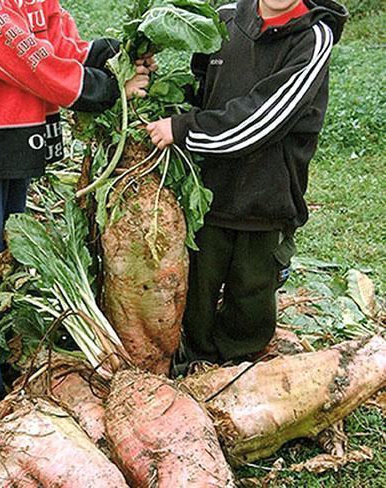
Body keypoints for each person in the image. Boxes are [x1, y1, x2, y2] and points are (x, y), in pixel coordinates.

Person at [0, 0, 153, 425]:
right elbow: (25, 58)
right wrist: (101, 89)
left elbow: (55, 41)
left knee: (3, 262)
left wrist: (108, 54)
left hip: (15, 139)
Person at [146, 0, 348, 372]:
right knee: (197, 292)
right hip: (209, 194)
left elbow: (262, 119)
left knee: (251, 295)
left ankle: (238, 365)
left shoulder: (312, 36)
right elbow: (198, 87)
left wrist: (183, 128)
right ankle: (195, 361)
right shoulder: (223, 20)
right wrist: (159, 94)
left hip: (266, 197)